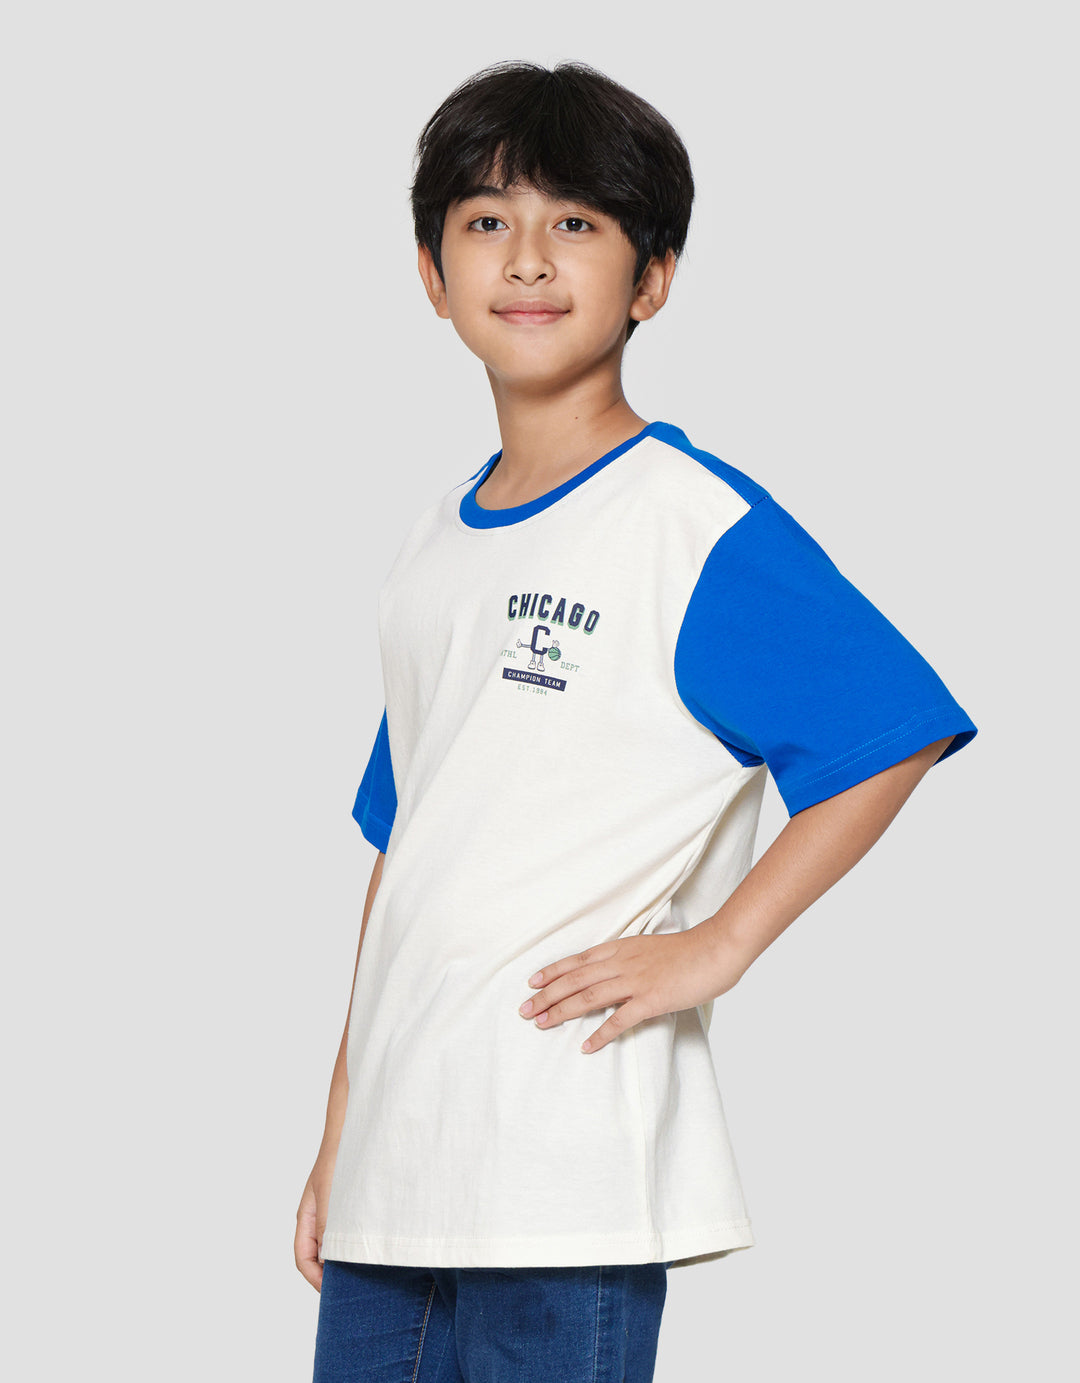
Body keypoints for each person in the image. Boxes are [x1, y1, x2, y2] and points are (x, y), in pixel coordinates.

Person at [295, 59, 978, 1383]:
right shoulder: (433, 548)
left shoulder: (686, 523)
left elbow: (888, 728)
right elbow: (409, 862)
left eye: (576, 222)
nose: (528, 258)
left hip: (564, 1169)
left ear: (651, 278)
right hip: (395, 1174)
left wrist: (720, 945)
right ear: (432, 274)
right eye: (486, 221)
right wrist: (340, 1134)